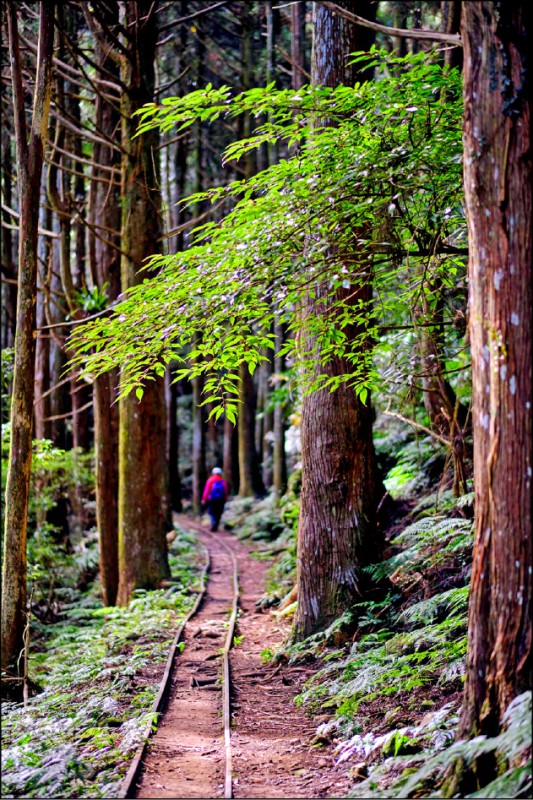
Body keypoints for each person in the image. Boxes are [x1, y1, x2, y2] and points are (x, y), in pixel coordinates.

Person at [202, 467, 229, 531]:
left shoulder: (210, 480)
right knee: (219, 512)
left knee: (212, 512)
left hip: (212, 499)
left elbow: (207, 490)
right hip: (221, 499)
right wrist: (226, 498)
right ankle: (216, 524)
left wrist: (204, 499)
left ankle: (213, 523)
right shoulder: (223, 481)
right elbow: (225, 491)